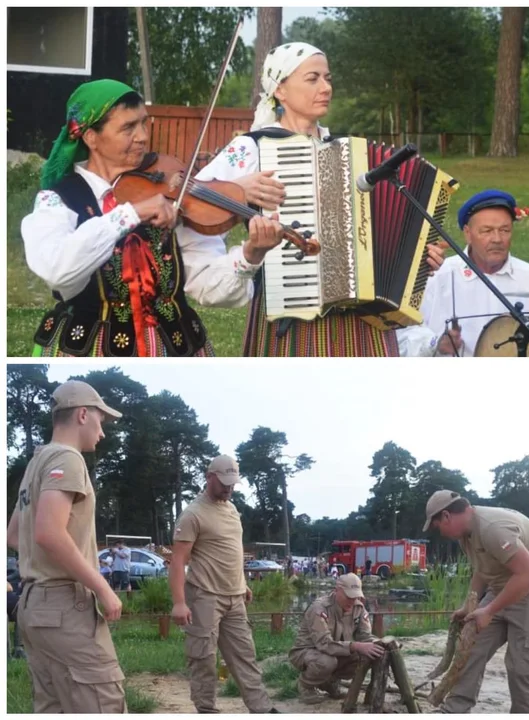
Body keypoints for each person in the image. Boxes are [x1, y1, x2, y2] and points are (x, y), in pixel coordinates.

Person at [194, 42, 444, 356]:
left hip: (360, 322)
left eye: (328, 78)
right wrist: (240, 188)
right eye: (313, 79)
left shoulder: (345, 152)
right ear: (280, 89)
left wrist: (419, 259)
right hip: (292, 314)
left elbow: (380, 236)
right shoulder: (252, 147)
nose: (326, 87)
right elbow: (194, 198)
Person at [21, 79, 290, 356]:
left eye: (143, 123)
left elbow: (207, 288)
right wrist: (130, 213)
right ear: (91, 137)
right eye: (127, 128)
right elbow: (57, 270)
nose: (142, 136)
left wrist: (250, 255)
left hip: (174, 348)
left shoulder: (171, 193)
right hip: (88, 349)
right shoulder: (58, 200)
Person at [6, 380, 126, 712]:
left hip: (32, 607)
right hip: (63, 608)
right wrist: (103, 588)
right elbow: (48, 533)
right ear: (83, 415)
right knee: (103, 703)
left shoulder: (36, 463)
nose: (102, 432)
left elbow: (15, 536)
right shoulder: (68, 459)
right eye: (101, 422)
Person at [170, 455, 278, 713]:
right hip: (204, 595)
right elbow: (178, 560)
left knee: (245, 655)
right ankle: (206, 710)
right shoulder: (193, 514)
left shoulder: (231, 509)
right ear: (209, 477)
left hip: (235, 596)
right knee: (204, 658)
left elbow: (231, 549)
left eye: (233, 483)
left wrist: (243, 583)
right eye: (223, 483)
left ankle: (261, 709)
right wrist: (179, 603)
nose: (229, 488)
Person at [423, 490, 529, 713]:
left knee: (521, 667)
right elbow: (482, 569)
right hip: (501, 588)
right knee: (470, 647)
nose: (440, 533)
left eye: (437, 526)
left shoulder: (492, 528)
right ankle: (455, 708)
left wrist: (490, 610)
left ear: (446, 516)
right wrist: (470, 607)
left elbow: (528, 574)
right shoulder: (466, 534)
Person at [420, 190, 529, 356]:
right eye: (487, 231)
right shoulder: (437, 277)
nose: (497, 239)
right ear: (468, 234)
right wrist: (436, 343)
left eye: (504, 230)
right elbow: (405, 334)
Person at [289, 573, 385, 704]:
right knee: (327, 661)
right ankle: (306, 685)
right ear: (337, 590)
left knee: (364, 657)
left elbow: (365, 636)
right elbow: (324, 644)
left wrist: (378, 644)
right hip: (306, 651)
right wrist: (355, 646)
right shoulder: (319, 608)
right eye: (349, 596)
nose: (352, 601)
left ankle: (329, 682)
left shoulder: (358, 608)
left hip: (335, 651)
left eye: (355, 596)